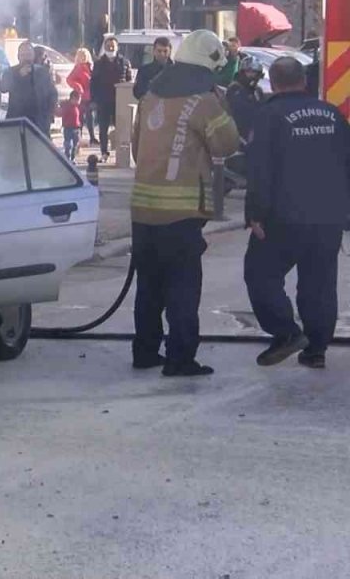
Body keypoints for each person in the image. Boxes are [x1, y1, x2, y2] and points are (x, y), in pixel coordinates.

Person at [130, 30, 240, 377]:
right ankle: (179, 358)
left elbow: (136, 149)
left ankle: (145, 352)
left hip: (143, 210)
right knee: (182, 288)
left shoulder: (149, 97)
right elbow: (227, 145)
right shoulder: (204, 102)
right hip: (180, 216)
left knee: (149, 287)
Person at [244, 57, 349, 369]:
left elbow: (259, 169)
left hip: (283, 217)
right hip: (328, 216)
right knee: (319, 282)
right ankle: (316, 349)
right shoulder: (332, 114)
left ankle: (287, 332)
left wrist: (255, 213)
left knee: (261, 274)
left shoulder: (268, 116)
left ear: (273, 83)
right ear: (304, 80)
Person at [89, 35, 132, 162]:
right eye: (108, 46)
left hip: (120, 101)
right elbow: (93, 83)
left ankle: (121, 152)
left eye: (113, 45)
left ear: (117, 47)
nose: (111, 47)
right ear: (105, 47)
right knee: (103, 128)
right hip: (103, 101)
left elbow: (129, 81)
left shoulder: (124, 62)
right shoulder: (98, 63)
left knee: (122, 128)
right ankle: (104, 152)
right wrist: (93, 100)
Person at [0, 40, 56, 134]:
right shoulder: (11, 71)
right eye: (23, 55)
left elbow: (52, 93)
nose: (26, 58)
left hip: (39, 122)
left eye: (29, 54)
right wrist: (18, 76)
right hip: (18, 121)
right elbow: (3, 88)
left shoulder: (42, 72)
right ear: (18, 57)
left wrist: (49, 115)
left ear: (33, 56)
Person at [224, 53, 266, 142]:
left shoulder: (258, 91)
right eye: (248, 71)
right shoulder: (235, 89)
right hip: (238, 137)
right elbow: (241, 114)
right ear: (242, 72)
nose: (251, 75)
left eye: (254, 72)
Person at [65, 49, 93, 146]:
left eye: (84, 55)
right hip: (81, 96)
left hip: (90, 96)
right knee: (79, 117)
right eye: (81, 55)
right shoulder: (78, 68)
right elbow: (69, 79)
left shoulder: (90, 67)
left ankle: (92, 137)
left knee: (90, 117)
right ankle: (78, 137)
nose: (83, 57)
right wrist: (78, 86)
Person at [133, 36, 173, 101]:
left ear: (170, 51)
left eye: (165, 51)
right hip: (150, 107)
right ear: (154, 51)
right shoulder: (144, 70)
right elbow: (137, 92)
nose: (162, 54)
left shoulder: (176, 71)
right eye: (159, 51)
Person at [60, 90, 83, 161]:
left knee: (75, 144)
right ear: (73, 98)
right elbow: (63, 115)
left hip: (76, 128)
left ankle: (73, 158)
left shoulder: (76, 107)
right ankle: (68, 157)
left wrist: (79, 124)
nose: (79, 101)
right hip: (68, 128)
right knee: (68, 144)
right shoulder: (67, 107)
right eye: (78, 100)